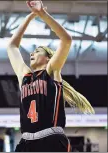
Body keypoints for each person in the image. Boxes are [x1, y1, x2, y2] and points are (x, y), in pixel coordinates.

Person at [7, 0, 94, 152]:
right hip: (26, 141)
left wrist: (42, 14)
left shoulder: (52, 71)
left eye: (37, 51)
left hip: (51, 139)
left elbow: (66, 40)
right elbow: (12, 46)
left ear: (48, 58)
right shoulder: (25, 76)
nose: (32, 53)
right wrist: (30, 16)